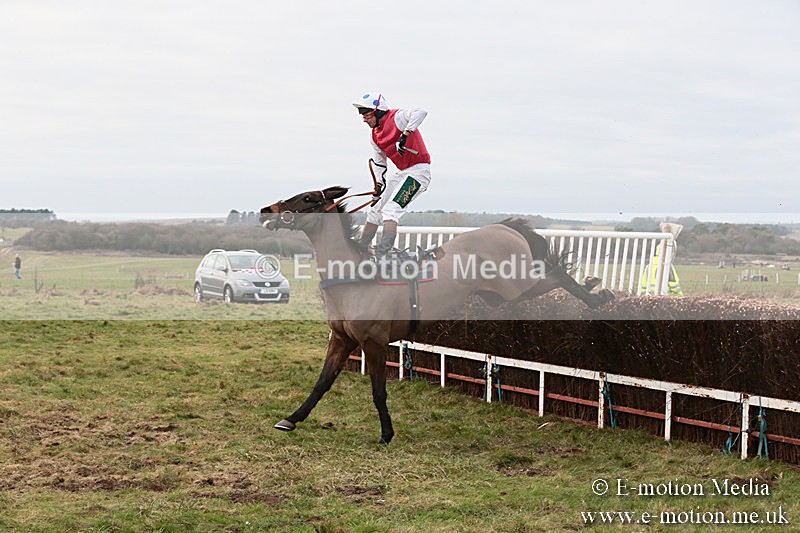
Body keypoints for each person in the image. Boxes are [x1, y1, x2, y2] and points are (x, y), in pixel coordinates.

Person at [353, 92, 431, 258]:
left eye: (366, 114)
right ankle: (360, 250)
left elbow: (421, 111)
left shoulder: (397, 117)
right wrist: (378, 187)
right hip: (402, 173)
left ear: (378, 111)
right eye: (362, 115)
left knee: (390, 210)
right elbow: (380, 164)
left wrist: (405, 134)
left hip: (419, 173)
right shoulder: (374, 136)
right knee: (376, 209)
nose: (364, 119)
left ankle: (382, 255)